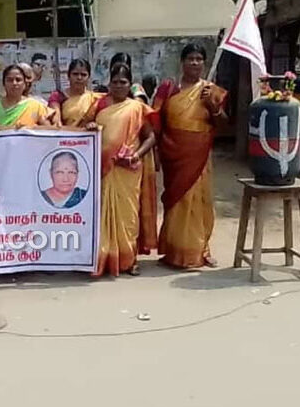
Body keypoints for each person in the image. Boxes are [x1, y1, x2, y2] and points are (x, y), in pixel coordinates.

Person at [154, 44, 228, 269]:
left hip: (200, 155)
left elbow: (224, 126)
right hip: (173, 154)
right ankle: (174, 252)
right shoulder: (168, 88)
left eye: (199, 59)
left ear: (204, 63)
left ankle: (201, 250)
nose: (195, 63)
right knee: (177, 201)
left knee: (199, 202)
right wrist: (156, 152)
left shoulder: (211, 90)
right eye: (190, 58)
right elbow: (155, 119)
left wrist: (212, 105)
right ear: (182, 62)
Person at [82, 64, 158, 277]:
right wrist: (89, 127)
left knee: (128, 217)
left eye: (123, 82)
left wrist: (136, 155)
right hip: (103, 168)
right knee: (102, 215)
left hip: (128, 169)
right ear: (109, 83)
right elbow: (83, 126)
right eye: (115, 82)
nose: (118, 86)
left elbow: (151, 137)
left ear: (130, 84)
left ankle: (129, 260)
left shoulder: (137, 108)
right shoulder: (99, 104)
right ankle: (103, 259)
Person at [0, 65, 52, 129]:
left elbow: (49, 129)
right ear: (4, 84)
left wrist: (31, 128)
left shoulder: (34, 106)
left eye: (18, 80)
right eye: (10, 80)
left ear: (24, 84)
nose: (14, 83)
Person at [48, 58, 103, 127]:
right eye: (75, 74)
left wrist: (93, 125)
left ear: (88, 78)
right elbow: (56, 119)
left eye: (83, 75)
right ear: (68, 76)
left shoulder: (94, 99)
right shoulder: (57, 96)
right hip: (64, 132)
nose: (79, 77)